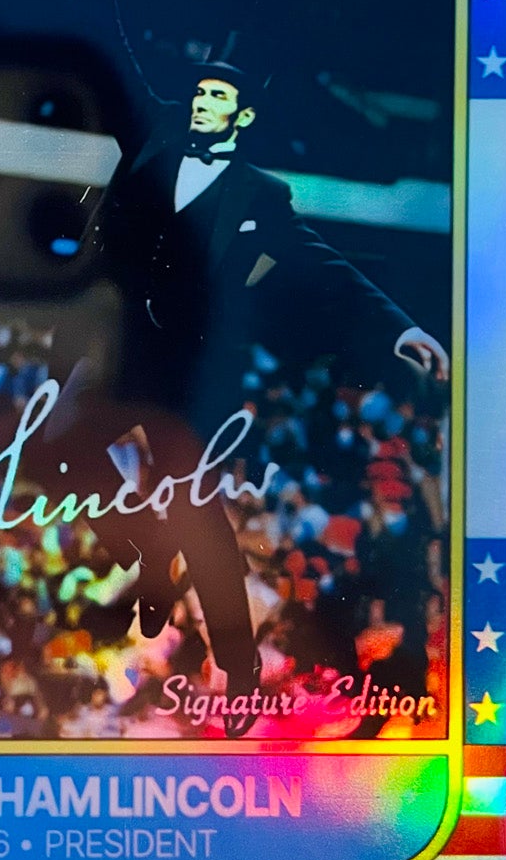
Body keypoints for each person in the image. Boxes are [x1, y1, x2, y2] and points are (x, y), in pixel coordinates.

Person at [49, 61, 448, 737]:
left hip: (193, 372)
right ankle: (146, 560)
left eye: (219, 96)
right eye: (199, 92)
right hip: (123, 353)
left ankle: (238, 665)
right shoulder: (154, 148)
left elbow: (328, 267)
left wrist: (400, 328)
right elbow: (125, 66)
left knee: (194, 511)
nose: (203, 102)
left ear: (243, 116)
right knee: (55, 440)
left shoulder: (261, 193)